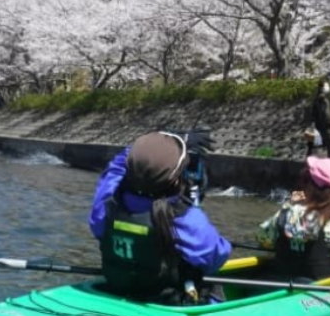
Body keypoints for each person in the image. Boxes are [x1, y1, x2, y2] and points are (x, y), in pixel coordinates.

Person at [88, 130, 231, 304]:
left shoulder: (106, 203)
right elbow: (216, 258)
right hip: (166, 301)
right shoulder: (183, 216)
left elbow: (116, 167)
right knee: (210, 285)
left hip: (116, 288)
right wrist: (193, 202)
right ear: (176, 178)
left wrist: (167, 138)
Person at [256, 156, 330, 280]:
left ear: (309, 185)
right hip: (320, 286)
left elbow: (262, 240)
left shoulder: (286, 214)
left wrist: (290, 205)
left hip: (283, 282)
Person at [307, 79, 330, 158]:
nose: (328, 87)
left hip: (321, 125)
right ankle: (328, 160)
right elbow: (322, 113)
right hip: (320, 125)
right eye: (326, 86)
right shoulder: (319, 99)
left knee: (315, 145)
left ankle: (309, 160)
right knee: (327, 144)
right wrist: (328, 123)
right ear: (321, 88)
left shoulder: (324, 99)